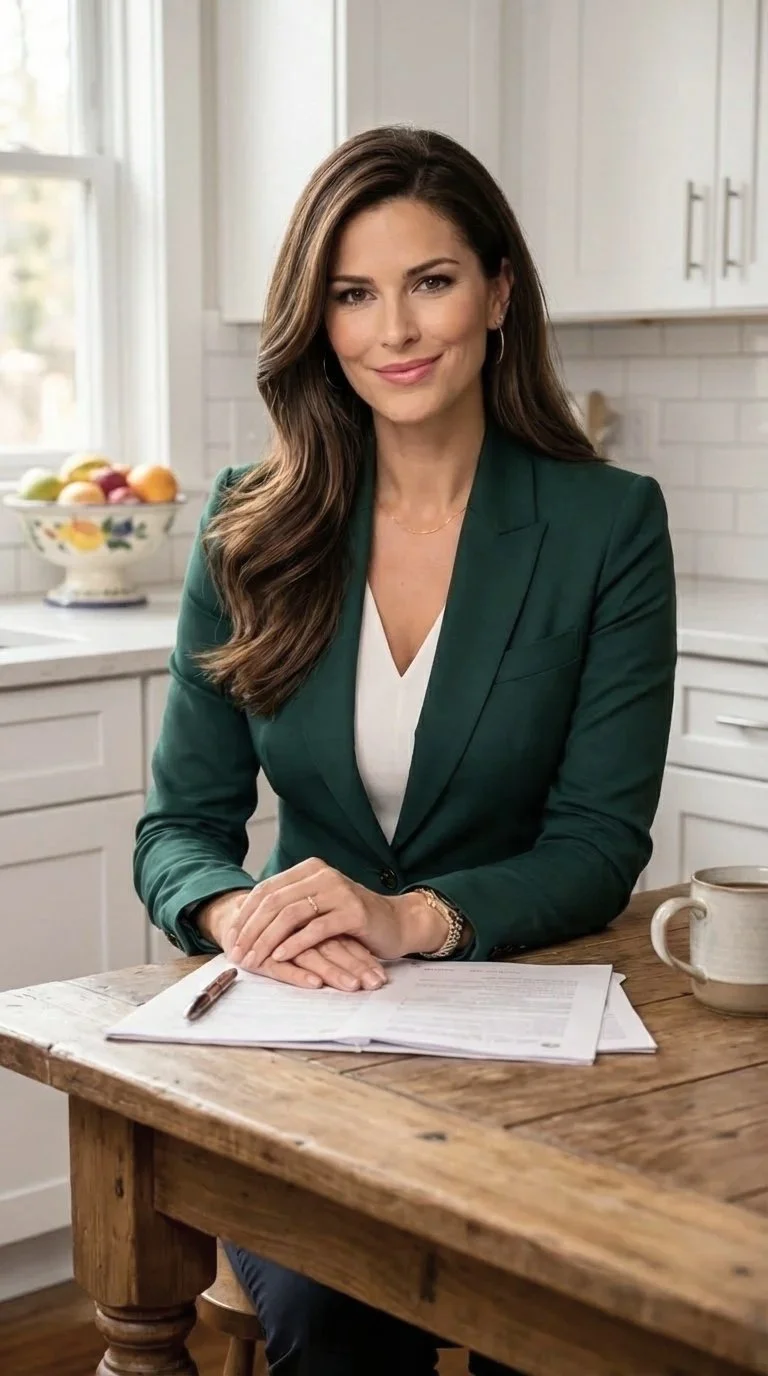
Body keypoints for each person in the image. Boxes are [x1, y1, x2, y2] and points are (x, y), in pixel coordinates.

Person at [134, 125, 676, 1376]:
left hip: (528, 1042)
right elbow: (178, 829)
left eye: (429, 280)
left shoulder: (606, 524)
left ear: (496, 289)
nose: (396, 330)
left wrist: (409, 914)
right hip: (303, 1042)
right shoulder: (246, 524)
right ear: (318, 322)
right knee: (337, 1321)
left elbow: (599, 842)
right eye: (353, 294)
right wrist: (242, 920)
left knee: (551, 1321)